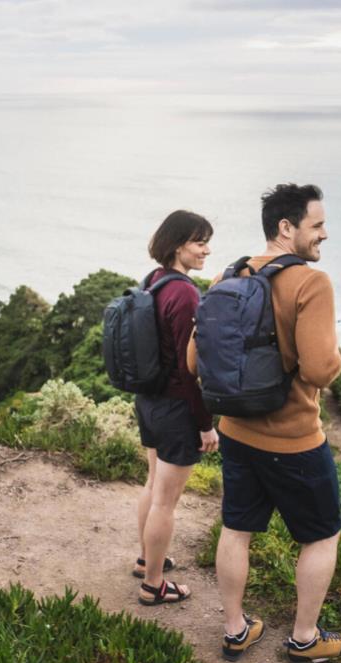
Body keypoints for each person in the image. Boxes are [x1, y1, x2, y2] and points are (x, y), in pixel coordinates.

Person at [187, 184, 341, 663]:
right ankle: (304, 638)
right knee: (320, 536)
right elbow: (321, 371)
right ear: (287, 227)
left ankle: (236, 629)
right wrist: (334, 355)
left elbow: (194, 361)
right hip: (295, 440)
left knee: (237, 528)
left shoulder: (225, 276)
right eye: (317, 225)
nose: (325, 234)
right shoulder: (311, 283)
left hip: (236, 433)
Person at [134, 210, 219, 606]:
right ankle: (154, 585)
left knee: (152, 487)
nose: (206, 249)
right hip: (175, 409)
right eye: (199, 241)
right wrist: (206, 425)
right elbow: (190, 372)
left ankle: (145, 560)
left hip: (149, 401)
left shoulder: (153, 281)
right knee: (166, 501)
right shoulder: (184, 292)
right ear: (177, 244)